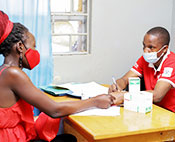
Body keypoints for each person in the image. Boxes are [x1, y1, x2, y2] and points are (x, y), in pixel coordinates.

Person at [0, 11, 115, 142]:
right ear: (20, 47)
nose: (36, 52)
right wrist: (95, 101)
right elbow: (54, 110)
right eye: (34, 46)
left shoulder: (5, 71)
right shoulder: (13, 74)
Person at [109, 26, 175, 112]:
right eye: (144, 46)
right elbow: (125, 79)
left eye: (151, 47)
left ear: (164, 49)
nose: (145, 51)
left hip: (169, 114)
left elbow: (157, 95)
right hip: (150, 108)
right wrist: (117, 85)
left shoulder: (172, 62)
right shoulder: (145, 59)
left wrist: (124, 96)